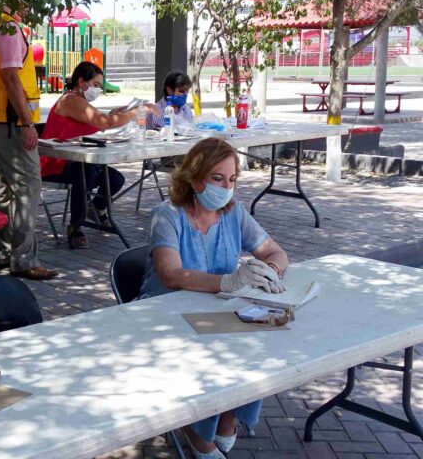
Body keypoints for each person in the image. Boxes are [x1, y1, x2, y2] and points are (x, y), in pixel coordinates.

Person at [139, 138, 289, 459]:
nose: (226, 187)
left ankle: (227, 416)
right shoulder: (167, 214)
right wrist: (229, 281)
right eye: (218, 179)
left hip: (214, 311)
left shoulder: (234, 213)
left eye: (232, 179)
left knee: (263, 334)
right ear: (195, 179)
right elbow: (171, 274)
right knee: (213, 351)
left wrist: (269, 271)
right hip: (164, 316)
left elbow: (277, 252)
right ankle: (195, 429)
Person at [40, 61, 161, 249]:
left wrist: (120, 113)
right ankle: (76, 225)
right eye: (96, 85)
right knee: (86, 171)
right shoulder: (70, 100)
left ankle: (95, 208)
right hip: (56, 163)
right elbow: (105, 122)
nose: (98, 90)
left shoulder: (82, 103)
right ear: (81, 82)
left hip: (77, 159)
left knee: (115, 179)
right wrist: (137, 111)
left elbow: (102, 120)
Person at [0, 10, 57, 280]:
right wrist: (27, 123)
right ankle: (24, 259)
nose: (29, 9)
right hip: (12, 120)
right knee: (28, 185)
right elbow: (12, 78)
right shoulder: (9, 29)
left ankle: (2, 252)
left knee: (1, 185)